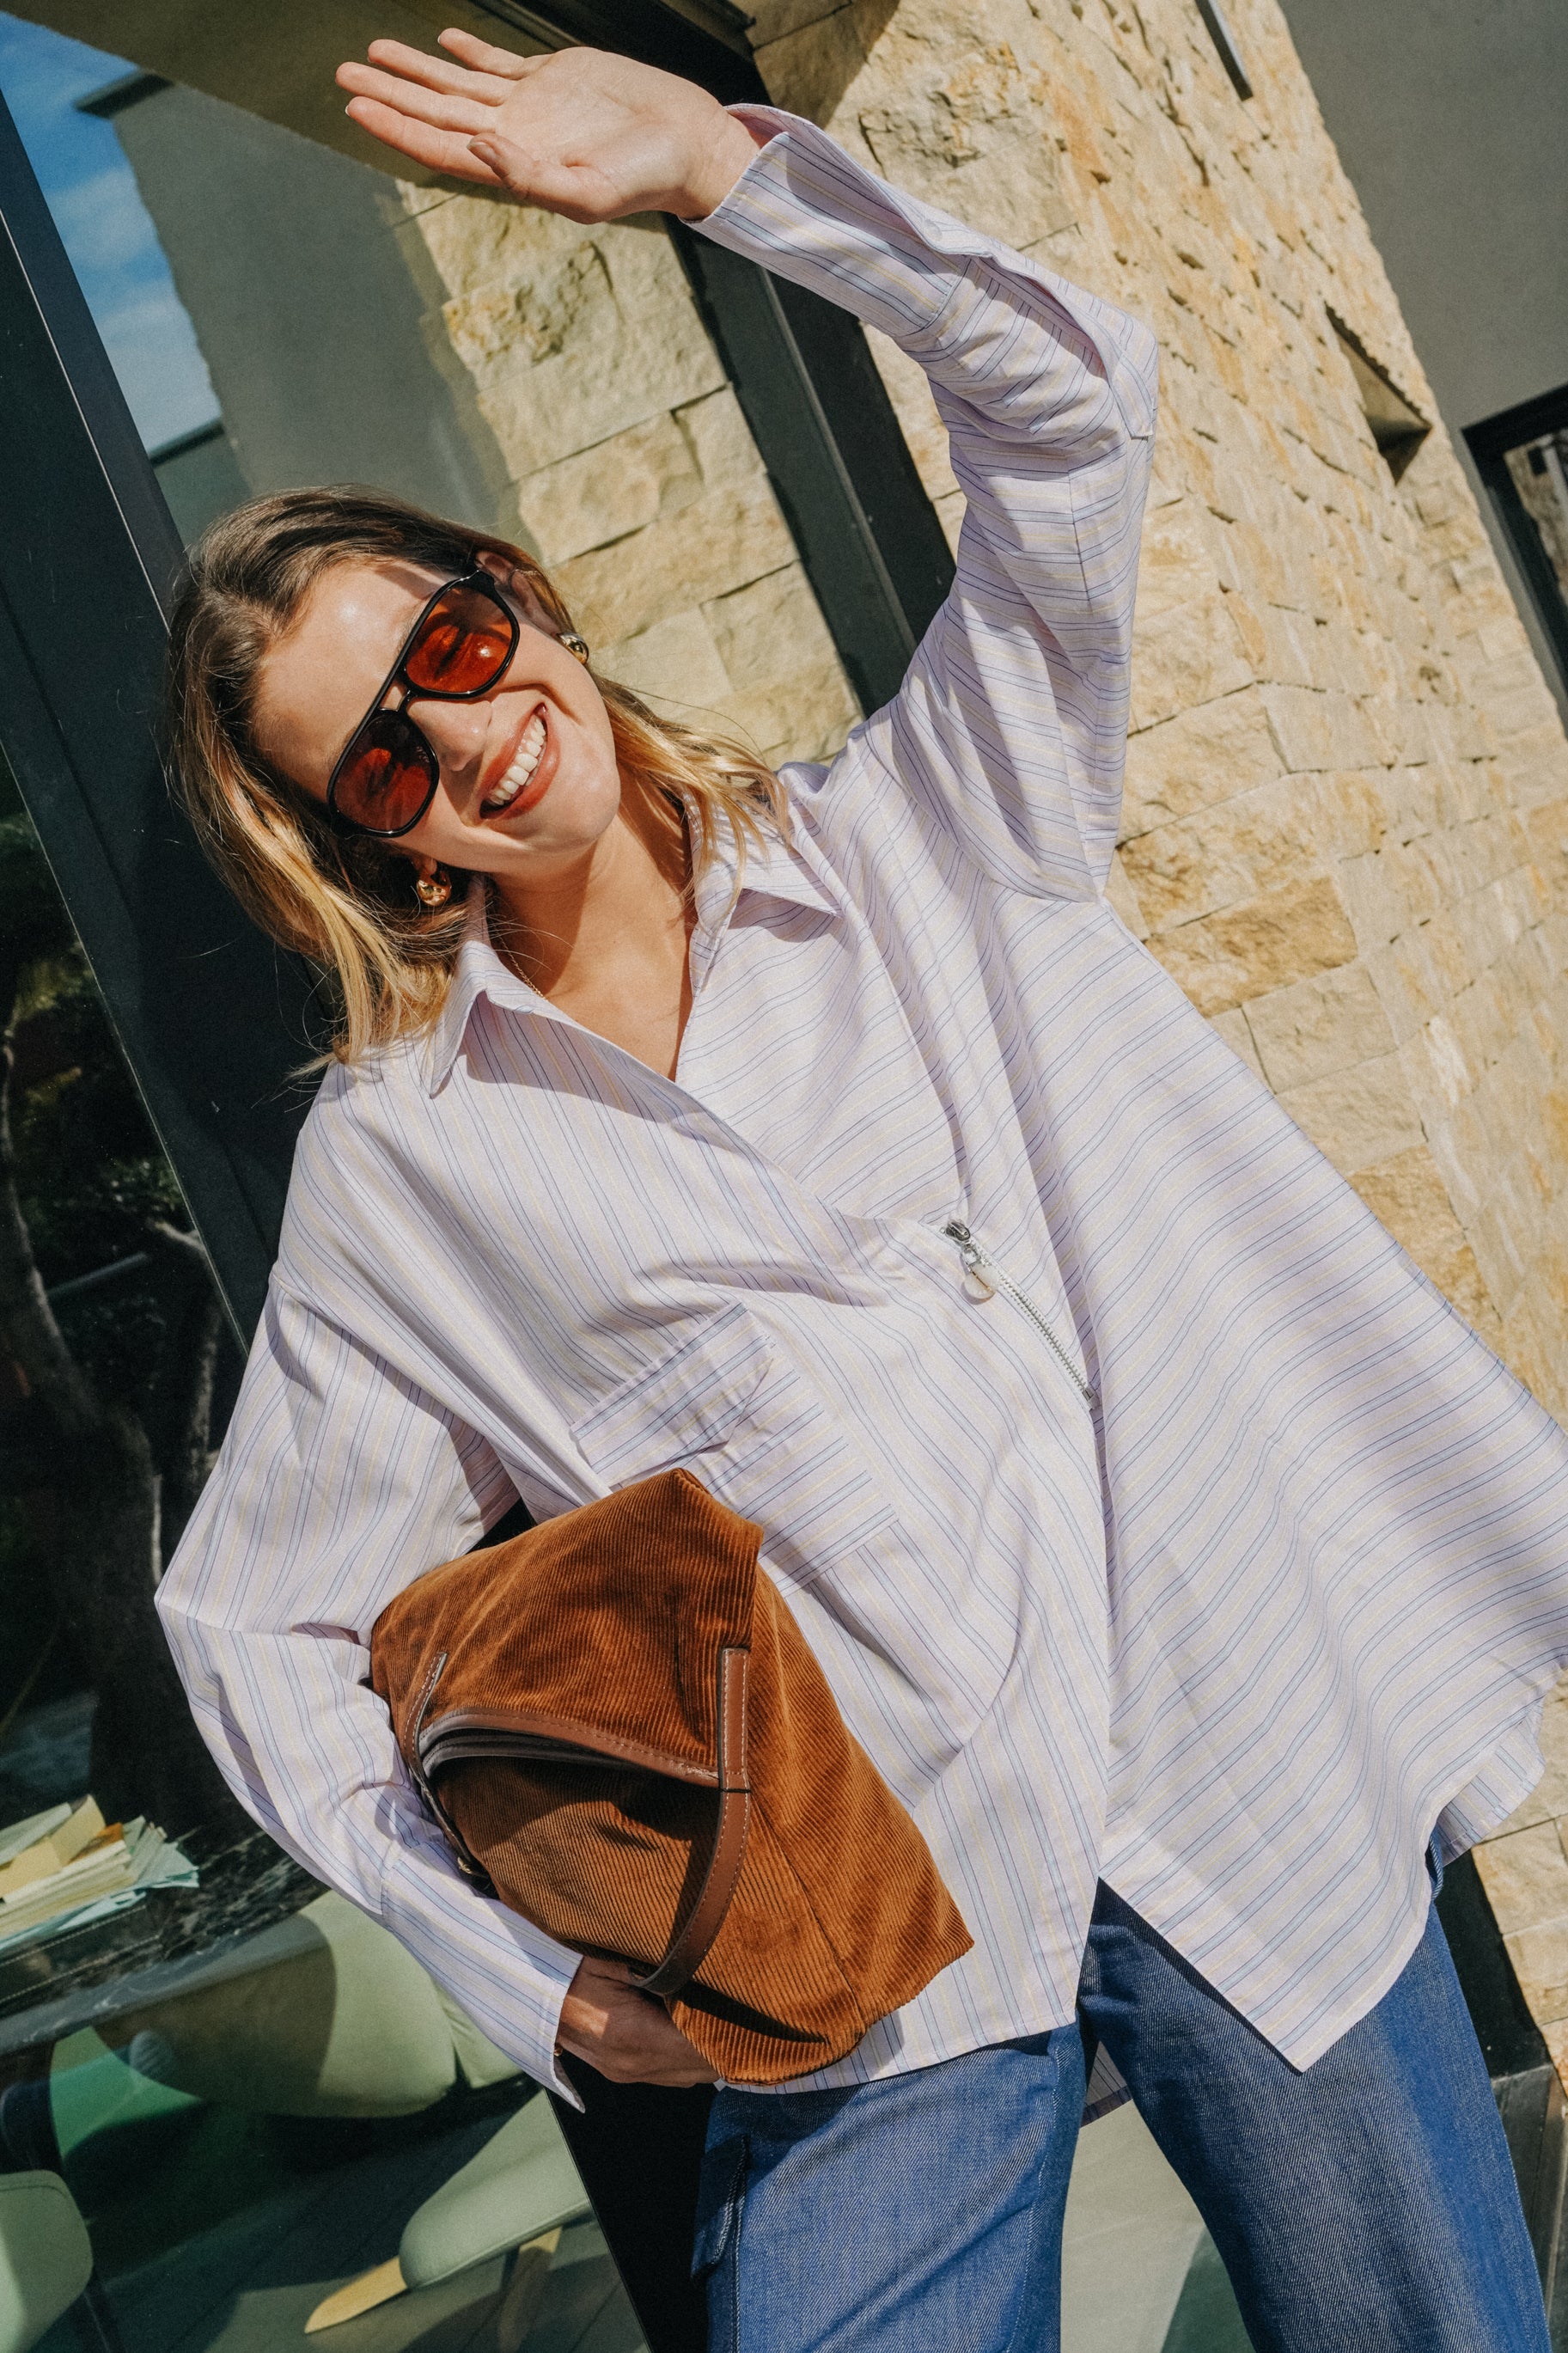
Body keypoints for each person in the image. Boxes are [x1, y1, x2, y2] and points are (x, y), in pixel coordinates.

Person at [156, 32, 1568, 2353]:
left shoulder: (935, 831)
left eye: (455, 648)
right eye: (386, 757)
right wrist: (526, 1977)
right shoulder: (408, 1167)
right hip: (867, 1941)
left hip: (1222, 1773)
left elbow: (1075, 414)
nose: (471, 733)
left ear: (522, 594)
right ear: (369, 842)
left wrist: (727, 175)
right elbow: (253, 1625)